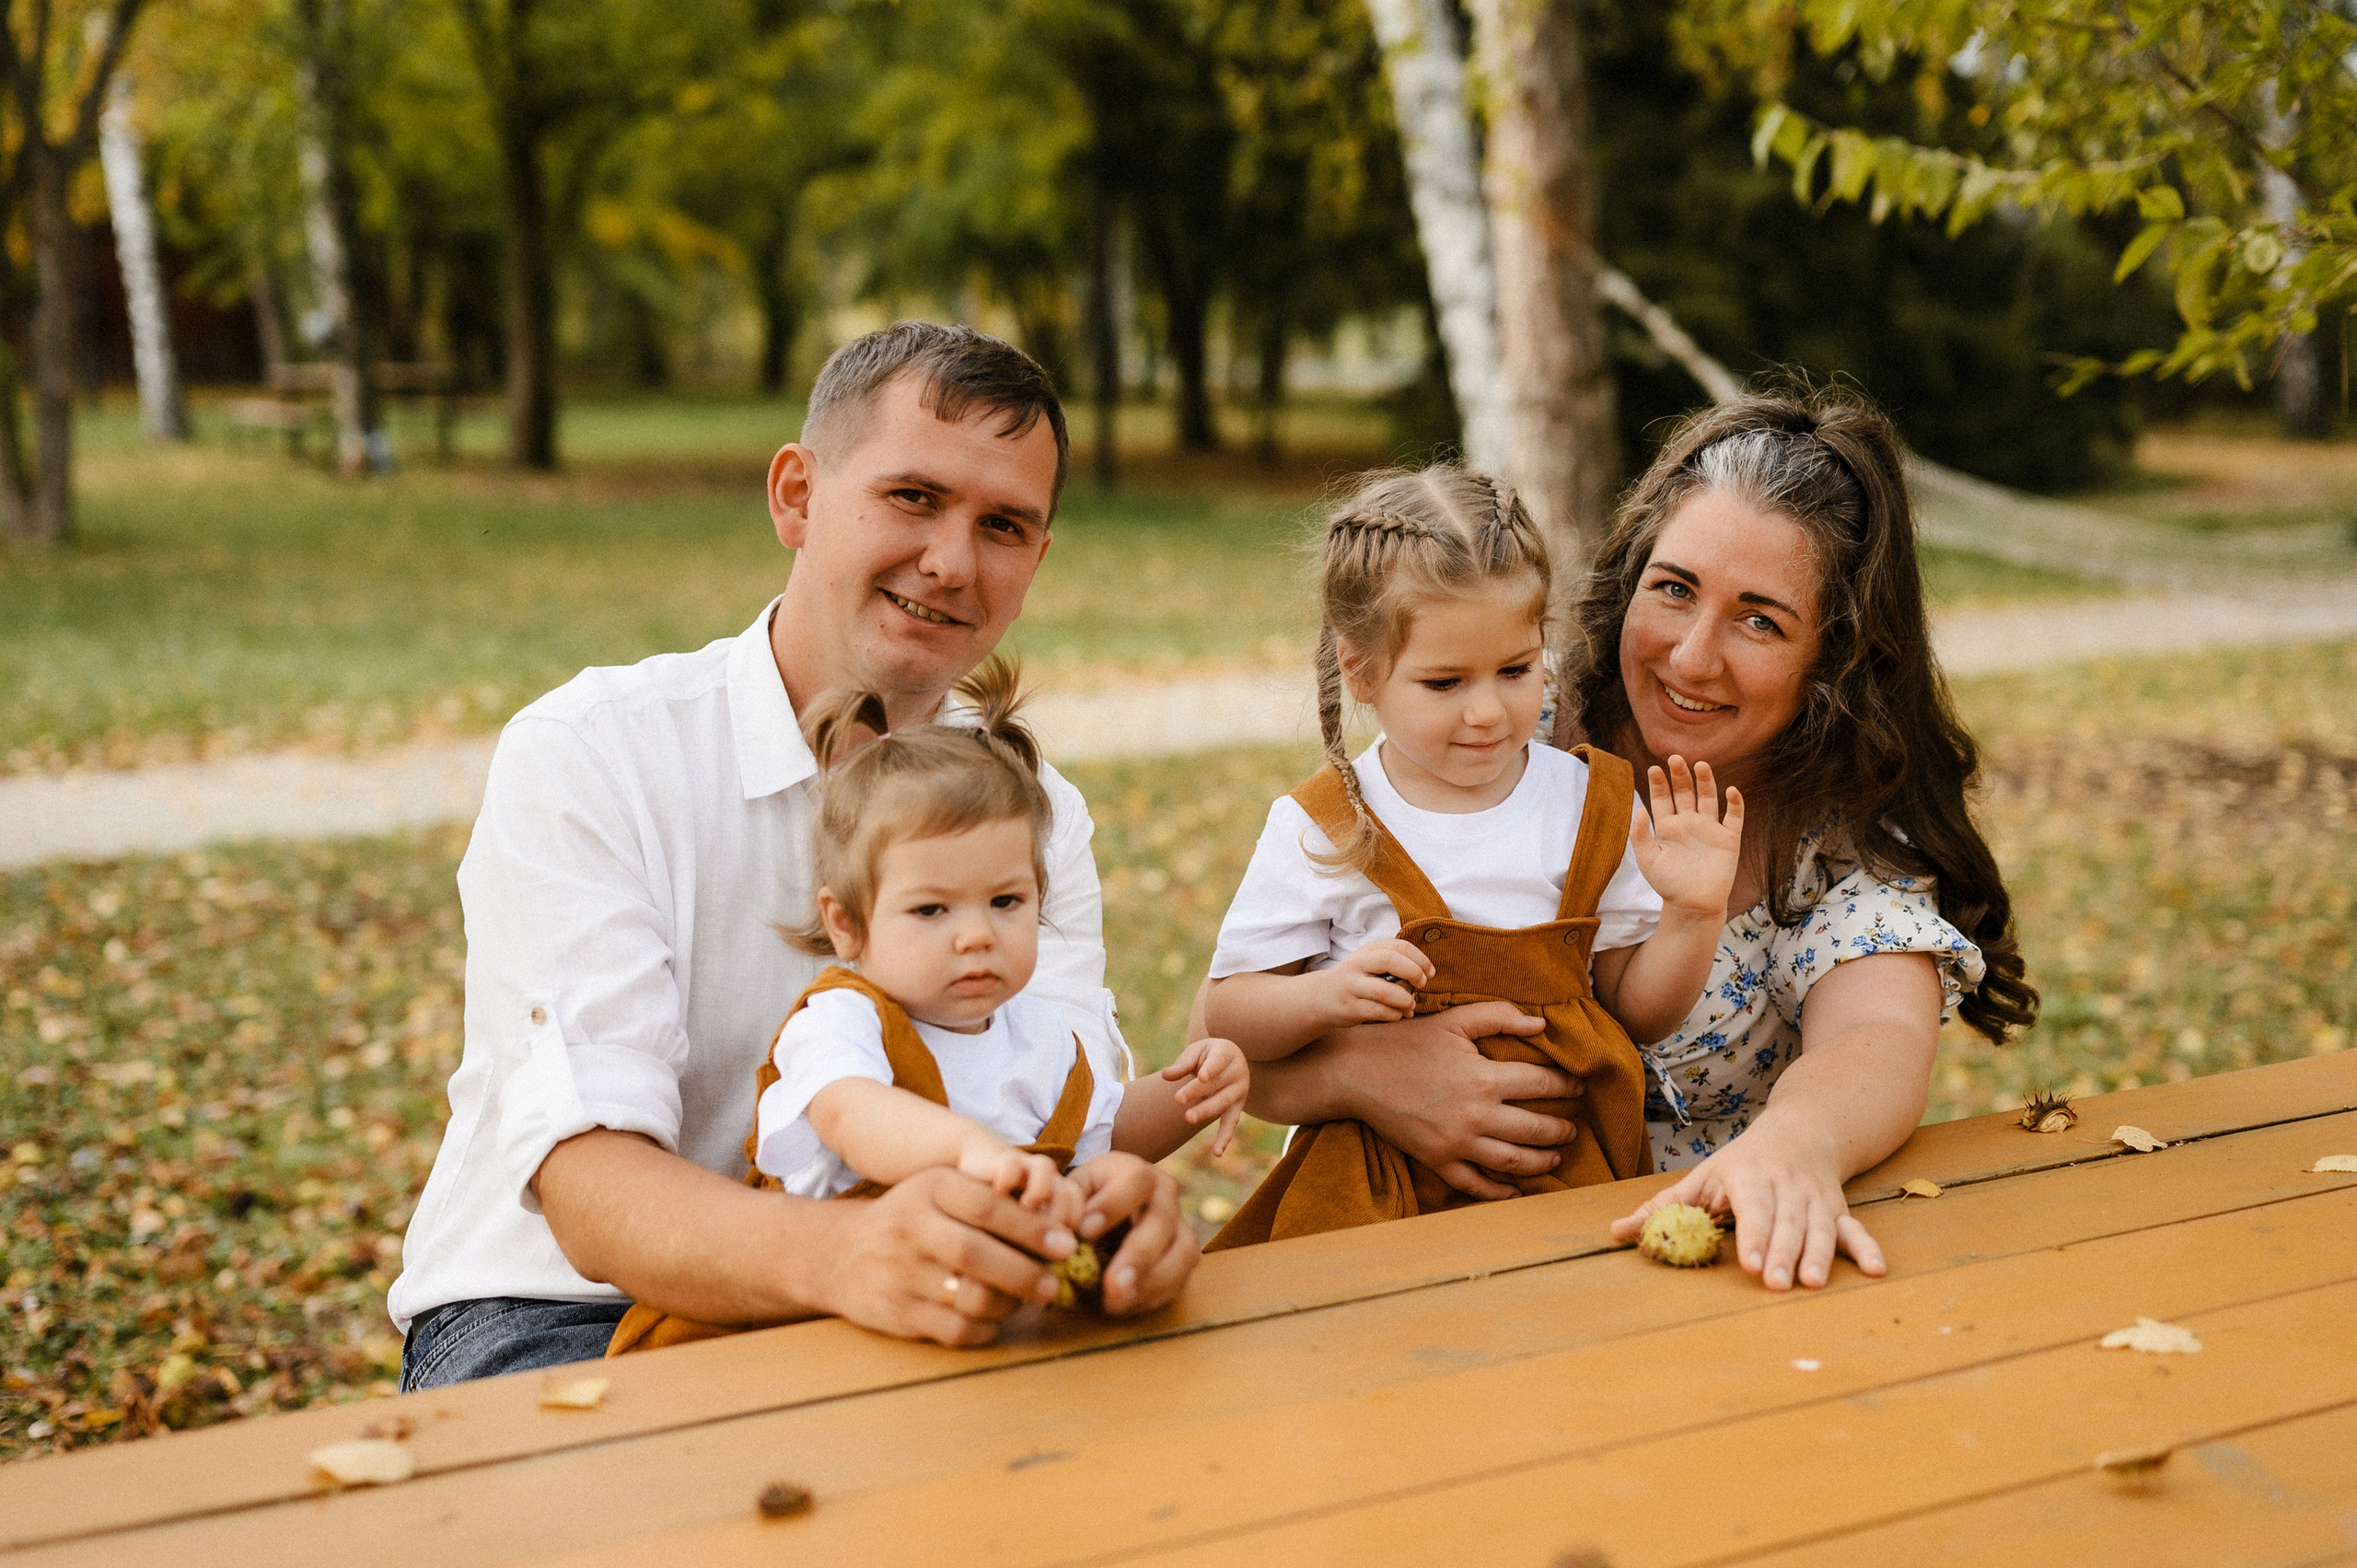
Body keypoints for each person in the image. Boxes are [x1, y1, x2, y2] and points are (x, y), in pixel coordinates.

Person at [391, 323, 1200, 1390]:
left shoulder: (1035, 811)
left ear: (1035, 560)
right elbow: (590, 1186)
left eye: (1003, 525)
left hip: (908, 1291)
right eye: (913, 496)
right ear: (796, 496)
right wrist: (848, 1255)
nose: (952, 562)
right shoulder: (595, 752)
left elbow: (1055, 1114)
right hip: (562, 1312)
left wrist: (1108, 1201)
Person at [1228, 387, 2036, 1290]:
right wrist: (1361, 1076)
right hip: (1392, 1247)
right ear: (1631, 576)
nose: (1691, 656)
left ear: (1837, 656)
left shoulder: (1842, 842)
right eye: (1674, 588)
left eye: (1760, 619)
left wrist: (1796, 1144)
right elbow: (1230, 1050)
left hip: (1673, 1269)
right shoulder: (1499, 737)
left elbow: (1876, 1037)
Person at [608, 660, 1248, 1353]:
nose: (976, 934)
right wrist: (976, 1153)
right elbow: (852, 1113)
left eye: (1005, 901)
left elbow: (1099, 1135)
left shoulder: (1040, 1035)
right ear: (848, 924)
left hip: (969, 1321)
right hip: (805, 1322)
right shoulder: (844, 1020)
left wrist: (1186, 1095)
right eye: (931, 909)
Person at [1197, 467, 1741, 1247]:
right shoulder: (1325, 827)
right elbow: (1230, 1017)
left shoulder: (1590, 804)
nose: (1487, 711)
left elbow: (1636, 1012)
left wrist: (1692, 915)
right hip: (1372, 1199)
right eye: (1445, 681)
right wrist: (1324, 997)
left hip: (1566, 1182)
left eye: (1516, 670)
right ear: (1361, 671)